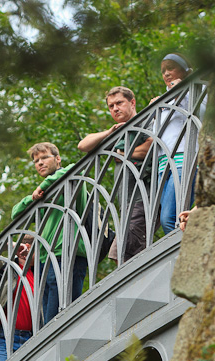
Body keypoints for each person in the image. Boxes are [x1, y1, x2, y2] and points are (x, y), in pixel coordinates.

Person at [11, 143, 87, 325]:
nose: (40, 163)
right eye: (36, 161)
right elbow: (16, 214)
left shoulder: (71, 175)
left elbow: (75, 168)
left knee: (64, 314)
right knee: (48, 315)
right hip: (46, 257)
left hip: (69, 250)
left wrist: (42, 187)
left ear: (57, 158)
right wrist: (32, 198)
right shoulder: (41, 194)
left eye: (44, 158)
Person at [78, 86, 154, 262]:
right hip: (126, 201)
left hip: (143, 196)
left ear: (132, 102)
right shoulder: (117, 132)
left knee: (122, 252)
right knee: (130, 251)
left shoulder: (145, 120)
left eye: (119, 103)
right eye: (111, 106)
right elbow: (83, 145)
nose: (115, 108)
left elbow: (150, 147)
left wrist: (122, 153)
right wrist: (110, 132)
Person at [155, 52, 205, 234]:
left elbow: (203, 115)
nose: (166, 73)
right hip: (163, 165)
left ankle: (187, 252)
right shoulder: (162, 100)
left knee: (169, 218)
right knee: (172, 217)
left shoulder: (196, 90)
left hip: (184, 160)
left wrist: (181, 93)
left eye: (171, 68)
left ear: (185, 70)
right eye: (163, 71)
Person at [0, 238, 35, 361]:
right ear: (26, 248)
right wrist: (14, 245)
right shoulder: (5, 268)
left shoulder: (40, 275)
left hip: (29, 338)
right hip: (2, 336)